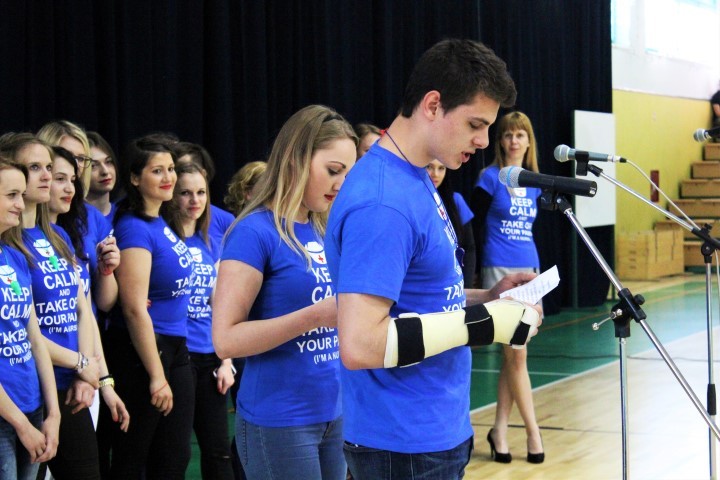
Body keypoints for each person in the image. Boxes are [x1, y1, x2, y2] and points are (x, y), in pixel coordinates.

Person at [324, 39, 542, 480]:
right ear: (432, 105)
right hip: (402, 444)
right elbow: (361, 344)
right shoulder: (383, 201)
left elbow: (421, 298)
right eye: (475, 124)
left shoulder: (414, 177)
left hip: (435, 430)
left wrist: (487, 297)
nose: (483, 141)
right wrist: (485, 323)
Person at [213, 104, 357, 480]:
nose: (341, 184)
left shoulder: (326, 229)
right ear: (295, 160)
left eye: (348, 173)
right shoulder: (253, 232)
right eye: (333, 171)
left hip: (335, 413)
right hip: (279, 421)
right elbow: (225, 340)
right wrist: (314, 316)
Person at [104, 136, 195, 479]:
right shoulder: (133, 228)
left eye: (171, 169)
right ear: (134, 177)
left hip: (176, 346)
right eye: (157, 171)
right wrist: (156, 376)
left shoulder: (163, 221)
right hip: (142, 352)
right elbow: (133, 309)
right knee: (133, 458)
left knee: (174, 456)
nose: (168, 177)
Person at [471, 110, 544, 464]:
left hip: (529, 268)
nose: (514, 140)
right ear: (499, 141)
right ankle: (533, 432)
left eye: (520, 135)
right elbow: (473, 226)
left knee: (513, 354)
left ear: (529, 142)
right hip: (498, 268)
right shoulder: (489, 178)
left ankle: (499, 429)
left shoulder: (535, 182)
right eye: (508, 134)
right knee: (516, 353)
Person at [173, 162, 235, 479]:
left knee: (218, 450)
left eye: (201, 192)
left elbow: (220, 304)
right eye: (185, 193)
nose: (195, 200)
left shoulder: (211, 241)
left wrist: (226, 361)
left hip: (209, 355)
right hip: (176, 357)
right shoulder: (164, 241)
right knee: (176, 452)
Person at [0, 155, 60, 480]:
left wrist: (53, 414)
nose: (21, 205)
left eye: (22, 195)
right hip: (7, 417)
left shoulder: (15, 256)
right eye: (12, 195)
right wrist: (21, 426)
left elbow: (34, 340)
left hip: (32, 406)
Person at [426, 159, 476, 288]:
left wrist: (466, 286)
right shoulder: (411, 201)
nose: (435, 174)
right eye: (429, 167)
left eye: (441, 168)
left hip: (453, 283)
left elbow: (469, 248)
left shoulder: (456, 200)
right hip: (423, 282)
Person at [173, 141, 235, 243]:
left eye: (187, 168)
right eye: (174, 169)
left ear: (203, 173)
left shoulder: (225, 220)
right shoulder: (159, 224)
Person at [86, 131, 119, 221]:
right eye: (93, 166)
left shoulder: (125, 215)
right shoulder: (74, 222)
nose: (105, 171)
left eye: (108, 162)